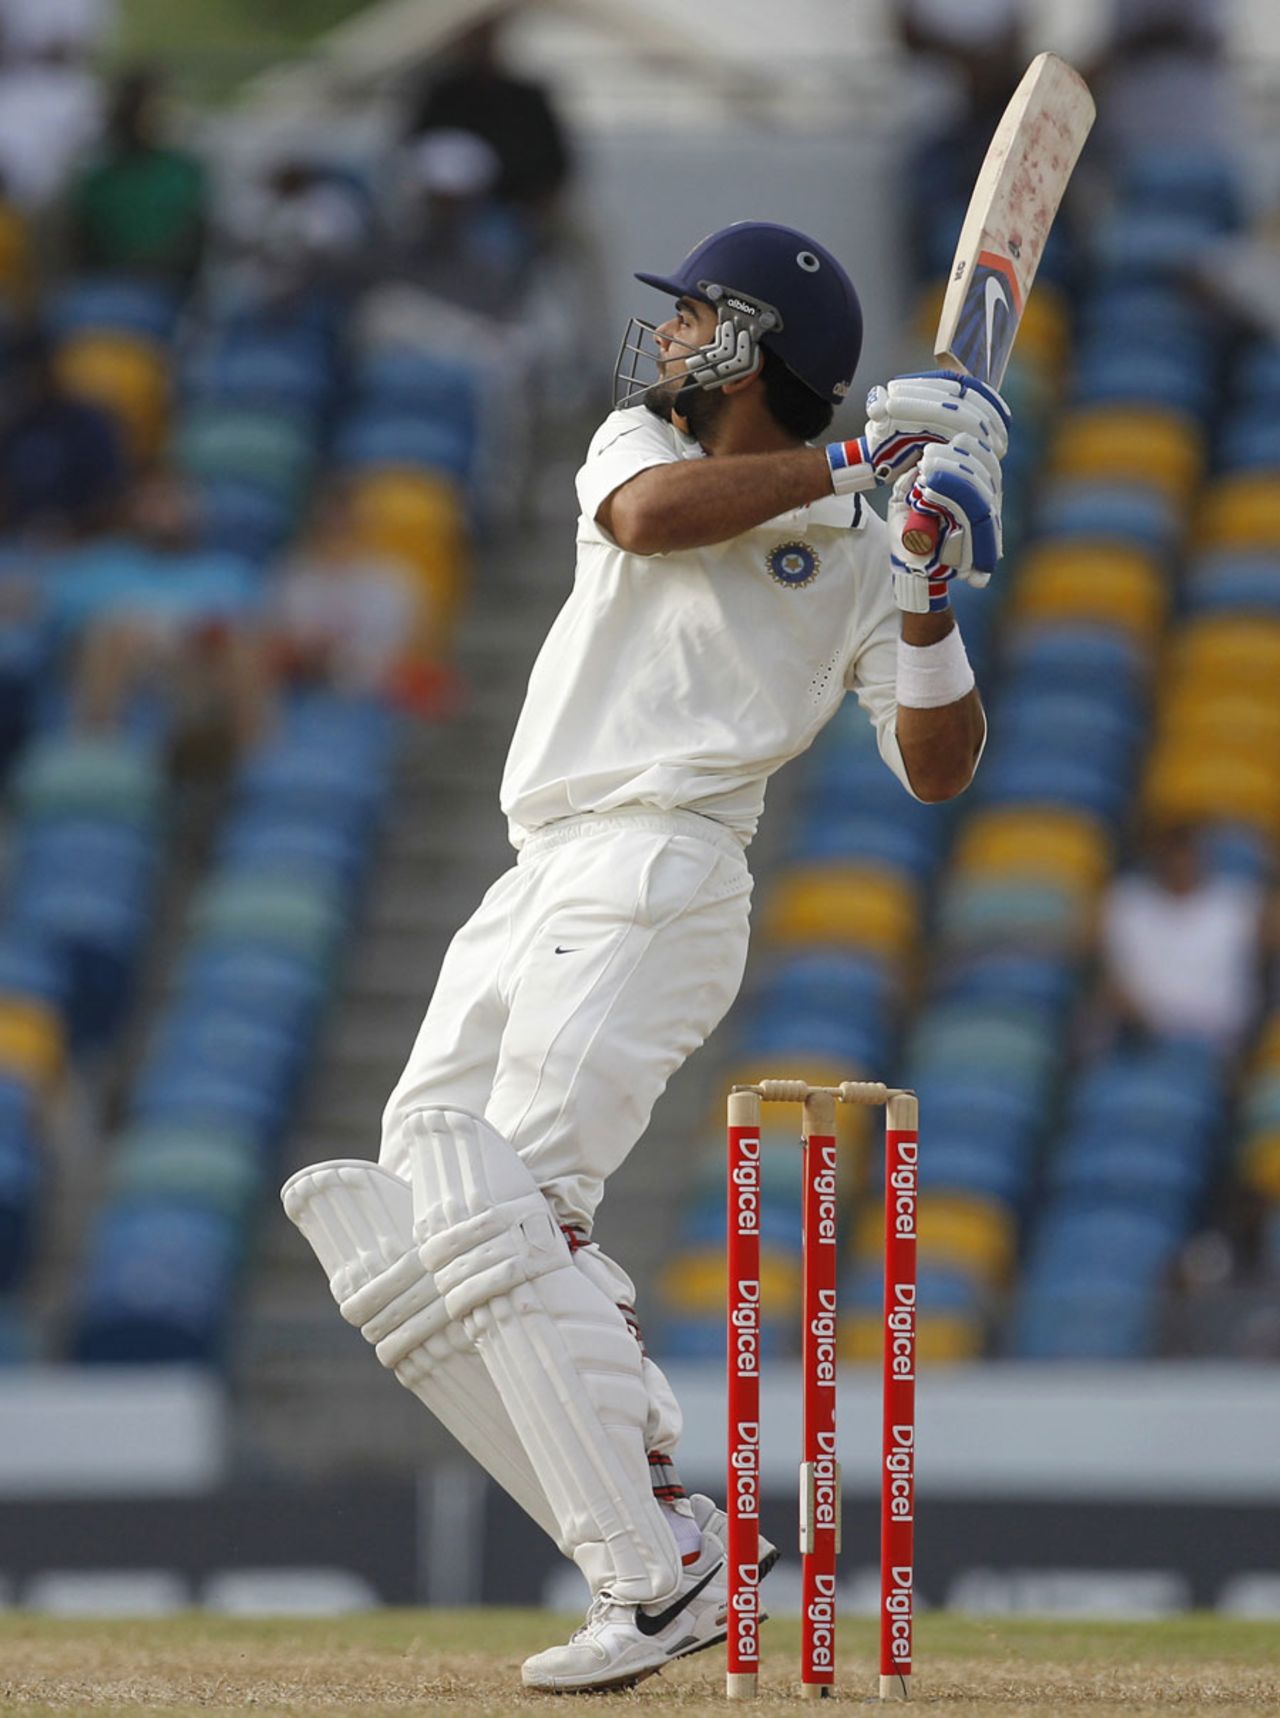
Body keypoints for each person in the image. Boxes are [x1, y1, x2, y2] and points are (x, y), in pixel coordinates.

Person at [282, 221, 1004, 1691]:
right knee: (410, 1232)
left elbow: (937, 768)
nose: (669, 337)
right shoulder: (640, 449)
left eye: (694, 317)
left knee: (507, 1206)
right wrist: (855, 464)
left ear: (755, 345)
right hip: (537, 866)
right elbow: (650, 520)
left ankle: (659, 1565)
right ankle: (663, 1527)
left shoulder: (866, 547)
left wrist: (927, 587)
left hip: (661, 862)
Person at [1096, 820, 1268, 1058]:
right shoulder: (1126, 900)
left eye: (1186, 857)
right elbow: (1108, 972)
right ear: (1156, 860)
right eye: (1172, 858)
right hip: (1141, 1037)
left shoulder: (1238, 903)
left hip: (1221, 1041)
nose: (1179, 866)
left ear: (1202, 859)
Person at [69, 67, 206, 283]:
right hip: (107, 280)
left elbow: (194, 239)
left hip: (171, 283)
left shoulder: (184, 173)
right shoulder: (99, 179)